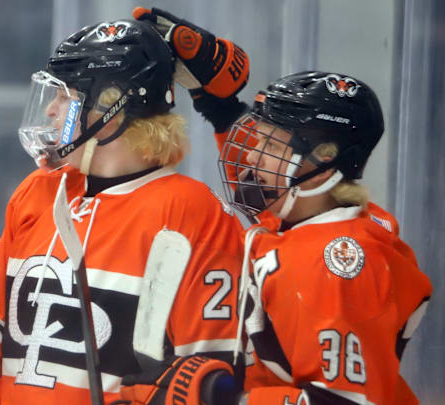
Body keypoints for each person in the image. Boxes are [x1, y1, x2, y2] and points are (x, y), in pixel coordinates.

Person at [0, 17, 249, 405]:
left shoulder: (191, 212)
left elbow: (211, 380)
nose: (50, 110)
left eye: (65, 96)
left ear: (110, 108)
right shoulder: (39, 193)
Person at [125, 7, 433, 405]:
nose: (251, 156)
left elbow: (344, 402)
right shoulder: (315, 217)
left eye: (269, 146)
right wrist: (214, 102)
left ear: (323, 158)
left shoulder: (335, 266)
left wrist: (222, 399)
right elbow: (273, 197)